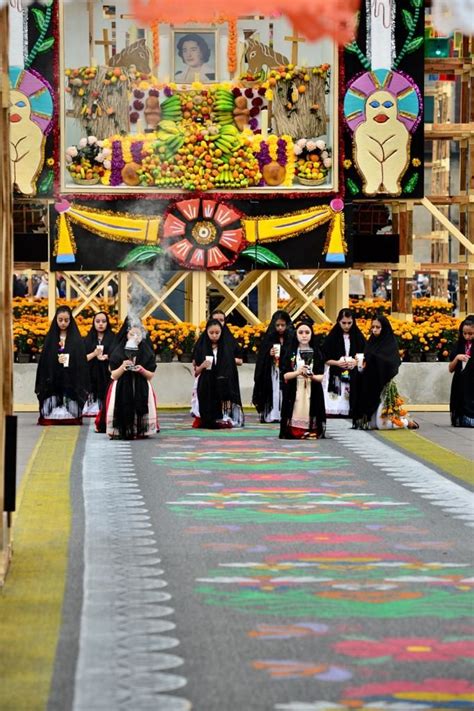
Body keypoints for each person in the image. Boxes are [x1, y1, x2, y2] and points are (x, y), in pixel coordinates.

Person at [352, 315, 416, 430]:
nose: (375, 330)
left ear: (384, 328)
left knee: (383, 425)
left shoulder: (390, 343)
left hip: (384, 388)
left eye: (378, 327)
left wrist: (371, 358)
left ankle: (406, 421)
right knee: (372, 425)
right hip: (370, 387)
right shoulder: (371, 342)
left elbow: (391, 363)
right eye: (373, 327)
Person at [35, 305, 89, 425]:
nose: (63, 323)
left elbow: (80, 359)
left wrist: (70, 359)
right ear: (56, 320)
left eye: (66, 320)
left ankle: (70, 414)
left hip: (70, 376)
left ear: (70, 320)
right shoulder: (51, 338)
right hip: (54, 375)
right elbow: (45, 359)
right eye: (60, 320)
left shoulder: (76, 339)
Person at [105, 320, 158, 439]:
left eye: (138, 334)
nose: (135, 337)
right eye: (132, 334)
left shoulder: (147, 352)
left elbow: (150, 376)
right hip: (122, 387)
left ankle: (141, 429)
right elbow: (114, 375)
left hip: (141, 386)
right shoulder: (118, 352)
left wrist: (141, 370)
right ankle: (121, 429)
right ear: (126, 335)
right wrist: (123, 367)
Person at [191, 318, 244, 429]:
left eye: (217, 333)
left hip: (222, 382)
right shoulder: (201, 347)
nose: (214, 335)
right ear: (206, 332)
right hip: (206, 383)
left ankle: (223, 419)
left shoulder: (226, 347)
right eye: (211, 333)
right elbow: (196, 372)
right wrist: (202, 366)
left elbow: (232, 366)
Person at [279, 318, 326, 439]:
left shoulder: (317, 352)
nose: (304, 336)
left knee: (311, 407)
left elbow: (322, 377)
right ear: (296, 334)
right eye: (300, 333)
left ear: (311, 334)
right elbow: (285, 375)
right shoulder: (291, 352)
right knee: (297, 407)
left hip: (312, 387)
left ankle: (311, 429)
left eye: (307, 332)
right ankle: (295, 430)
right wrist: (298, 372)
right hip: (295, 388)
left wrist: (312, 376)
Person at [321, 308, 366, 417]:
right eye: (343, 323)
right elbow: (324, 357)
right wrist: (337, 363)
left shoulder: (358, 337)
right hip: (335, 371)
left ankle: (351, 409)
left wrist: (355, 362)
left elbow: (365, 354)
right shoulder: (332, 337)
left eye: (349, 323)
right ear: (338, 322)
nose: (346, 326)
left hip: (353, 372)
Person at [252, 310, 293, 423]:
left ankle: (284, 415)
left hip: (286, 371)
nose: (280, 328)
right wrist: (268, 354)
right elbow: (261, 358)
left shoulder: (291, 338)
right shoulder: (268, 338)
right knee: (273, 391)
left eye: (283, 325)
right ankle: (272, 415)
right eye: (277, 325)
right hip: (272, 371)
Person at [82, 311, 115, 418]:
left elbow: (118, 354)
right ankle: (92, 408)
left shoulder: (113, 337)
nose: (100, 324)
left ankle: (105, 407)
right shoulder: (88, 338)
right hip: (92, 372)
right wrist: (94, 354)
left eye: (104, 321)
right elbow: (82, 358)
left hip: (107, 372)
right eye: (98, 321)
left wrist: (107, 356)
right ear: (94, 323)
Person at [449, 315, 474, 427]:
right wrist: (457, 358)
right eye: (465, 333)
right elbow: (450, 368)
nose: (467, 336)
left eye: (470, 334)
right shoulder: (459, 345)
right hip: (460, 383)